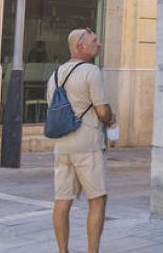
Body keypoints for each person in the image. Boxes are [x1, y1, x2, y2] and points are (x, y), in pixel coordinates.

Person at [49, 28, 115, 253]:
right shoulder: (91, 71)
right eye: (94, 41)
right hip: (87, 144)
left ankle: (63, 251)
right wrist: (111, 118)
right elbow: (102, 111)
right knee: (97, 199)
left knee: (62, 201)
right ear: (80, 46)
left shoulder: (55, 74)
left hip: (62, 146)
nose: (99, 44)